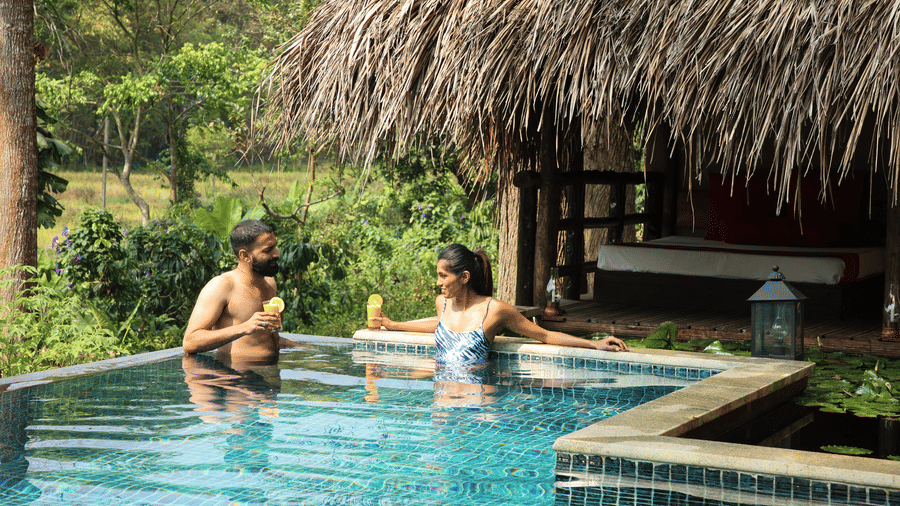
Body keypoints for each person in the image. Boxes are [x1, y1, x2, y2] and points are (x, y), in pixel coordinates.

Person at [371, 244, 628, 366]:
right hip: (443, 401)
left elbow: (544, 335)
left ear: (464, 277)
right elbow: (439, 325)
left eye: (443, 276)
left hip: (476, 399)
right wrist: (393, 325)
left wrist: (594, 344)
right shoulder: (443, 304)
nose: (438, 282)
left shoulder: (494, 311)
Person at [183, 219, 299, 359]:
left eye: (274, 247)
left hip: (271, 369)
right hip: (237, 371)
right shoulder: (222, 286)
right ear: (245, 256)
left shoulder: (270, 284)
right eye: (268, 250)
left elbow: (264, 339)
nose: (277, 254)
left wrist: (305, 349)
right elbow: (190, 342)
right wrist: (245, 327)